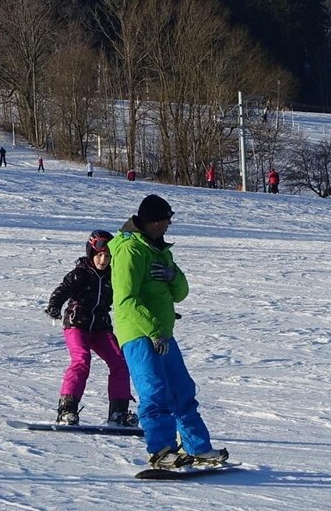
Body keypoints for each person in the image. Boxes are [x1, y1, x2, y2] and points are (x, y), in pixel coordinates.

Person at [110, 194, 226, 470]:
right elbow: (125, 299)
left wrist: (173, 276)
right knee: (155, 392)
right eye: (166, 221)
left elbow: (181, 294)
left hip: (163, 333)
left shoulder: (160, 250)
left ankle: (197, 448)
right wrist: (152, 330)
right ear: (155, 221)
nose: (169, 226)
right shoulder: (130, 250)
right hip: (139, 334)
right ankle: (161, 451)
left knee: (182, 389)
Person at [45, 229, 133, 428]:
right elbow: (63, 289)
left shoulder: (114, 276)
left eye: (108, 256)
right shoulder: (80, 274)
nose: (103, 260)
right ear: (91, 254)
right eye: (99, 255)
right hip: (77, 324)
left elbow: (129, 296)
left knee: (119, 362)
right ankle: (67, 409)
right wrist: (54, 306)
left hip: (101, 327)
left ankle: (118, 413)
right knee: (81, 360)